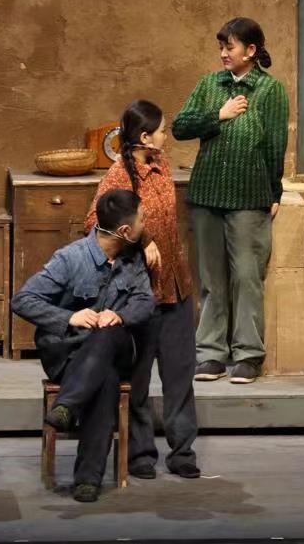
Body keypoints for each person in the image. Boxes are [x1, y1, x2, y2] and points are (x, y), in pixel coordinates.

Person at [11, 189, 155, 502]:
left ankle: (67, 405)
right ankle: (87, 480)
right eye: (142, 219)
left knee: (107, 332)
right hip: (69, 356)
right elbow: (22, 300)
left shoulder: (134, 259)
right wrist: (69, 317)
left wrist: (119, 315)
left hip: (115, 348)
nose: (146, 225)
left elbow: (145, 302)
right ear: (124, 230)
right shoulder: (71, 258)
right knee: (105, 380)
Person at [84, 100, 200, 481]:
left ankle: (182, 451)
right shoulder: (119, 175)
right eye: (162, 131)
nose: (167, 136)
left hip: (176, 287)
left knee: (180, 374)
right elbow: (94, 221)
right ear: (145, 137)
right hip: (141, 293)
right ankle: (139, 452)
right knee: (137, 379)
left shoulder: (161, 164)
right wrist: (142, 238)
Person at [172, 17, 289, 385]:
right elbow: (180, 126)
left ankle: (248, 354)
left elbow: (275, 146)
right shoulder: (210, 84)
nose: (224, 53)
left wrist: (273, 192)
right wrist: (218, 115)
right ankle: (210, 353)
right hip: (207, 194)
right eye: (221, 47)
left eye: (230, 47)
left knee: (247, 277)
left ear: (250, 50)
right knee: (211, 279)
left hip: (249, 197)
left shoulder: (270, 90)